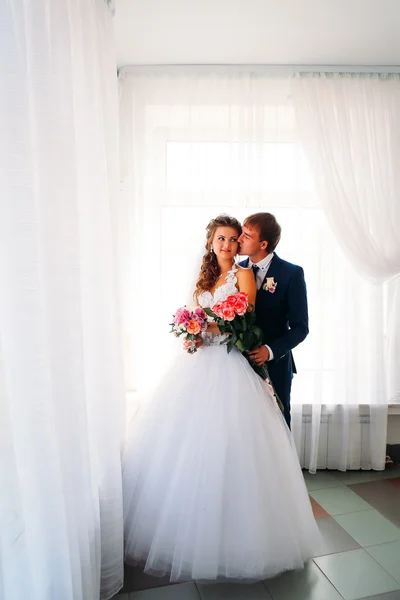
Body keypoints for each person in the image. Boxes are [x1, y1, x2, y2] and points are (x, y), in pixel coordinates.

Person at [122, 214, 319, 583]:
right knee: (192, 442)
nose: (232, 243)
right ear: (211, 242)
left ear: (260, 243)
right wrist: (191, 333)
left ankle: (262, 519)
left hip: (247, 362)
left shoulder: (262, 274)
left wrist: (209, 325)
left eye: (239, 237)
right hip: (202, 365)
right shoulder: (207, 277)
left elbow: (250, 318)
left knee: (260, 439)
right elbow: (203, 318)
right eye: (225, 238)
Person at [238, 213, 308, 429]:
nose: (239, 238)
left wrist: (269, 350)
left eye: (247, 235)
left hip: (275, 365)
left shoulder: (291, 274)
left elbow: (300, 328)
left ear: (263, 244)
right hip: (238, 363)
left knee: (277, 422)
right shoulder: (235, 270)